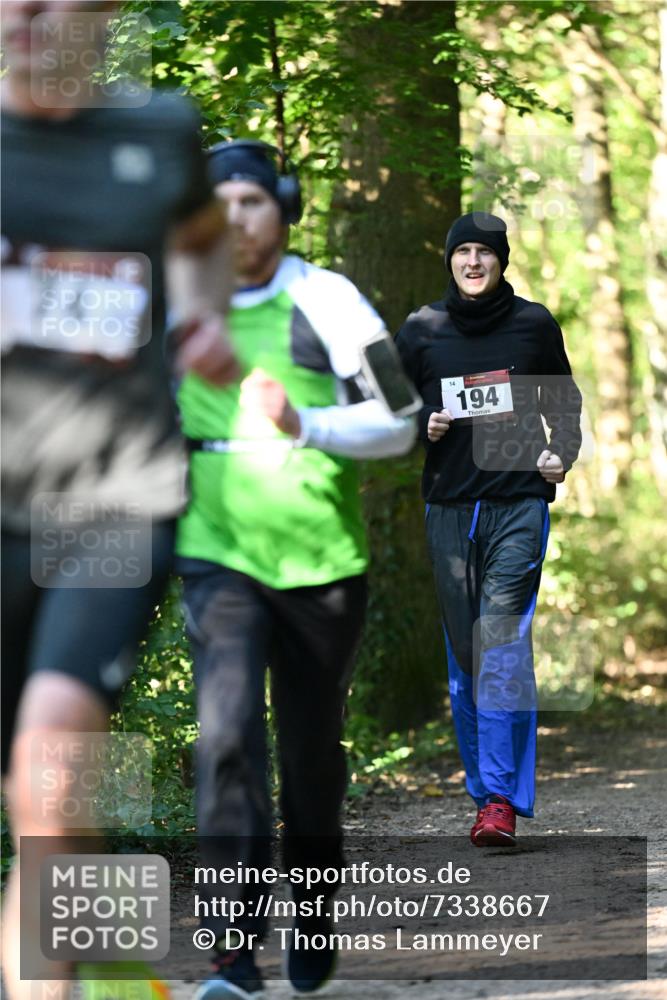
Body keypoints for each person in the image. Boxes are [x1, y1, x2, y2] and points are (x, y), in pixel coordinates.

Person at [1, 3, 237, 998]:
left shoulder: (159, 130)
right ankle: (114, 965)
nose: (23, 13)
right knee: (44, 805)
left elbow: (202, 235)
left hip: (112, 496)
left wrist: (202, 315)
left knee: (50, 768)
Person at [175, 139, 416, 999]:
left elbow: (401, 420)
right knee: (226, 739)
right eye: (219, 207)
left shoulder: (329, 300)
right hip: (216, 552)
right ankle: (232, 957)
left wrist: (306, 425)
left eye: (251, 201)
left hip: (321, 562)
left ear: (282, 208)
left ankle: (313, 912)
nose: (235, 220)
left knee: (310, 758)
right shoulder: (175, 303)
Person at [395, 211, 582, 848]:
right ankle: (486, 794)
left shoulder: (533, 324)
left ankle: (499, 799)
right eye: (463, 252)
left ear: (502, 260)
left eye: (485, 252)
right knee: (466, 654)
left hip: (517, 503)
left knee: (499, 642)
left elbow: (564, 403)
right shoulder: (422, 328)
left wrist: (561, 453)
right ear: (449, 260)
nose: (473, 262)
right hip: (450, 508)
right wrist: (421, 423)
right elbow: (388, 404)